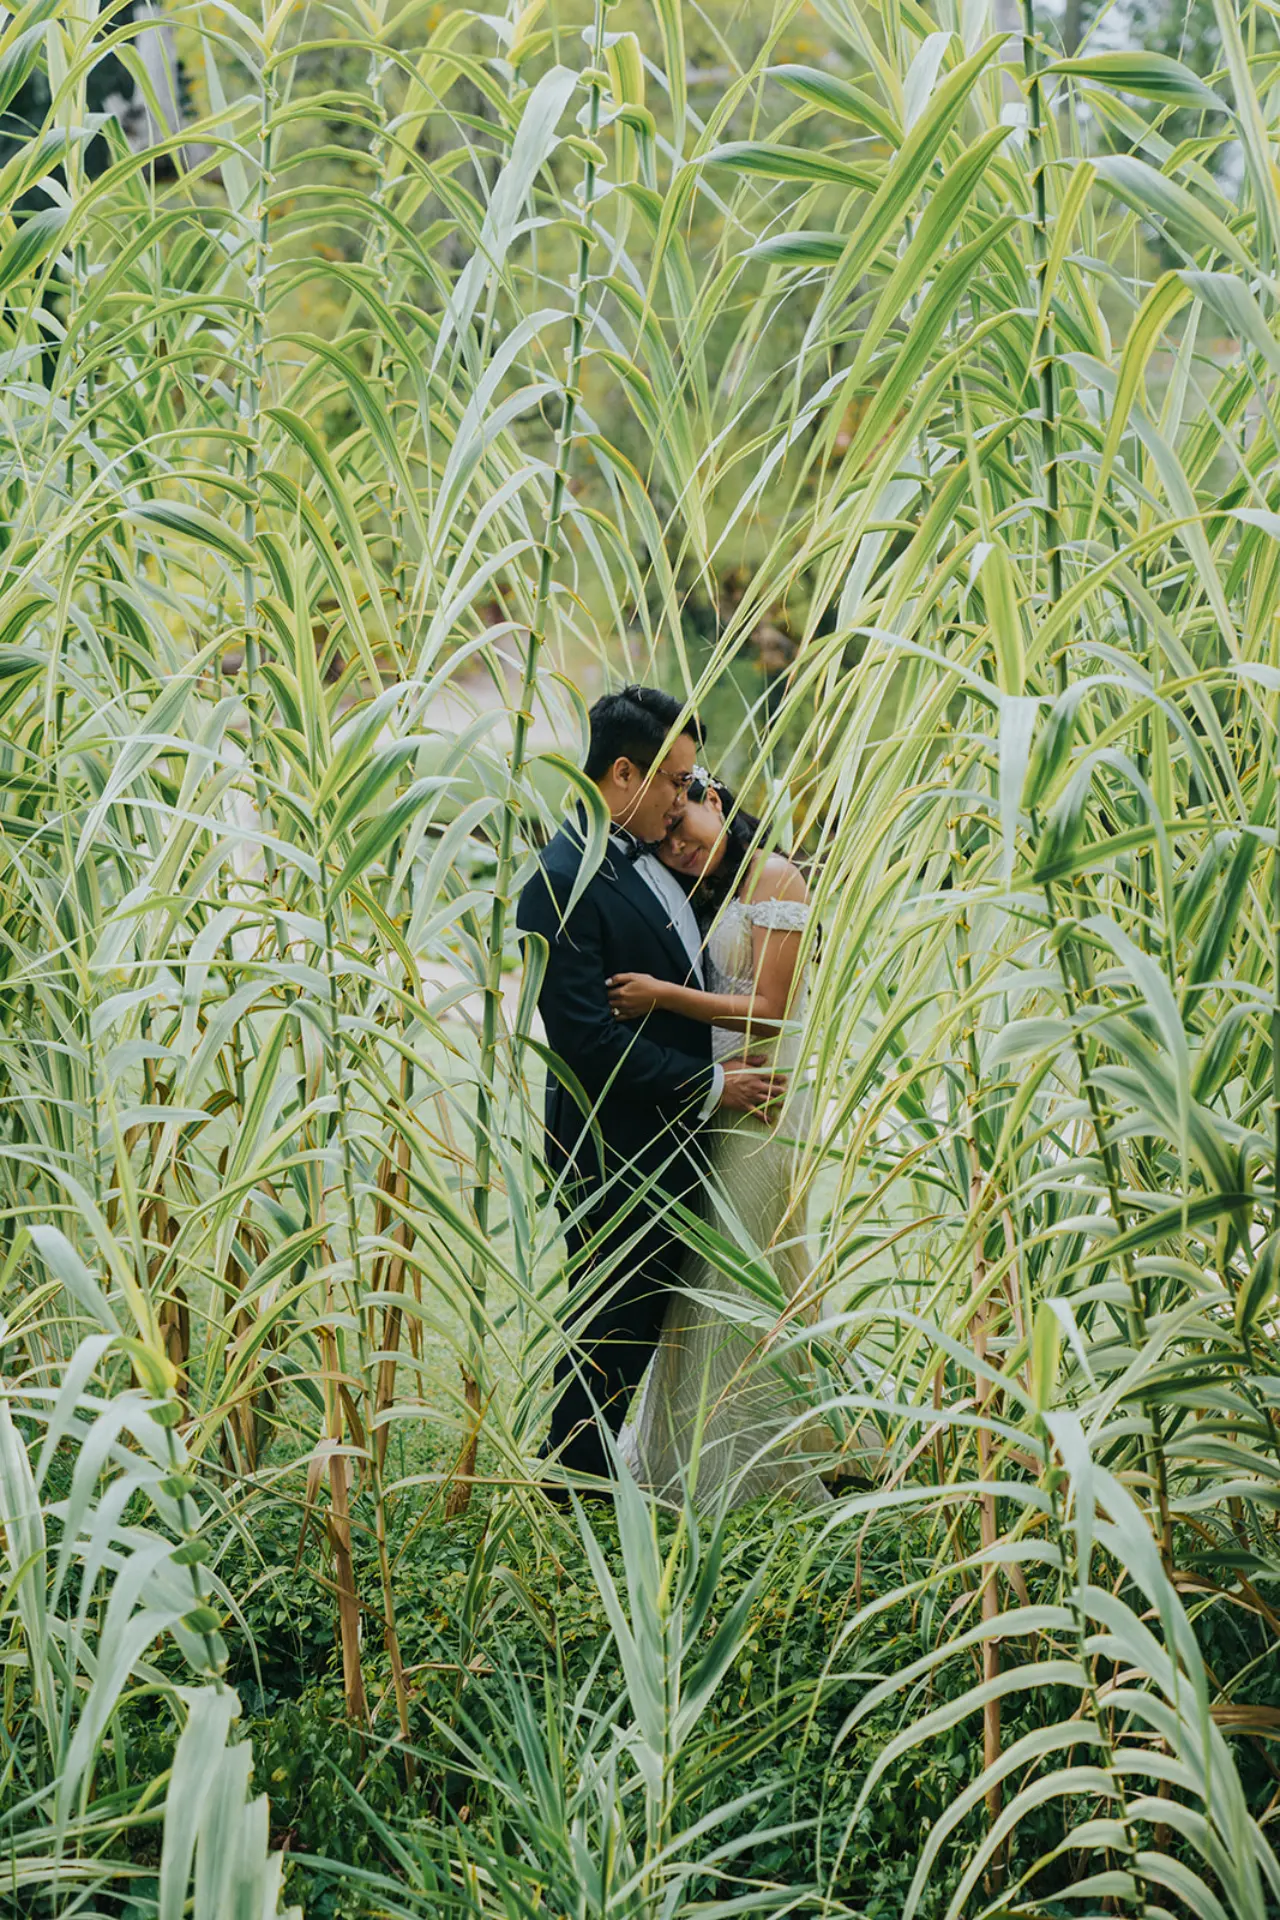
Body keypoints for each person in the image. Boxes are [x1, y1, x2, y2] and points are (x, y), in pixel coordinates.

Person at [516, 687, 782, 1490]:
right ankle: (570, 1480)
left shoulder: (660, 860)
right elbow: (587, 1043)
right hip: (612, 1144)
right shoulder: (559, 880)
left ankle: (600, 1470)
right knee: (611, 1315)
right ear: (624, 773)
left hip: (672, 1142)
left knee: (642, 1314)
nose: (685, 802)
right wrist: (707, 1084)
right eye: (674, 782)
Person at [607, 766, 833, 1510]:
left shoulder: (774, 878)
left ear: (713, 800)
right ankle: (707, 1445)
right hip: (715, 1107)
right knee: (707, 1278)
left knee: (742, 1272)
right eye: (663, 838)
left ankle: (750, 1457)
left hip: (762, 1111)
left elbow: (766, 1012)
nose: (676, 848)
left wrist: (657, 994)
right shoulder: (711, 893)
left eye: (683, 828)